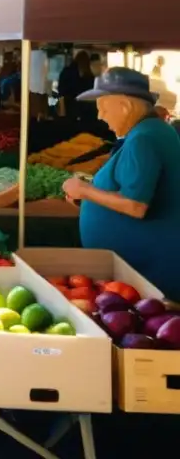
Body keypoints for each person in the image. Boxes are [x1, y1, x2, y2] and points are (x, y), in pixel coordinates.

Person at [62, 68, 180, 298]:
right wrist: (91, 198)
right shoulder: (151, 132)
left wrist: (85, 190)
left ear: (125, 106)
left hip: (153, 274)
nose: (100, 116)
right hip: (144, 270)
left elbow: (136, 205)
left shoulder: (144, 139)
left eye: (103, 108)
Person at [58, 50, 95, 120]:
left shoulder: (67, 72)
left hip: (69, 108)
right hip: (85, 111)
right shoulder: (89, 76)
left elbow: (61, 92)